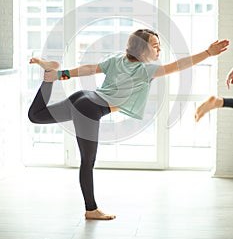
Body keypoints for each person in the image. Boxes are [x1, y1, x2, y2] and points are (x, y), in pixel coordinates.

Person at [28, 29, 229, 220]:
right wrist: (208, 53)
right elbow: (178, 65)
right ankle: (91, 210)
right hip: (90, 108)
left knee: (36, 116)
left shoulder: (117, 60)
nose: (159, 50)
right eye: (155, 46)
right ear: (142, 49)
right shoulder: (146, 70)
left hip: (83, 97)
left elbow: (89, 69)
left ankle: (49, 76)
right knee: (87, 162)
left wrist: (61, 74)